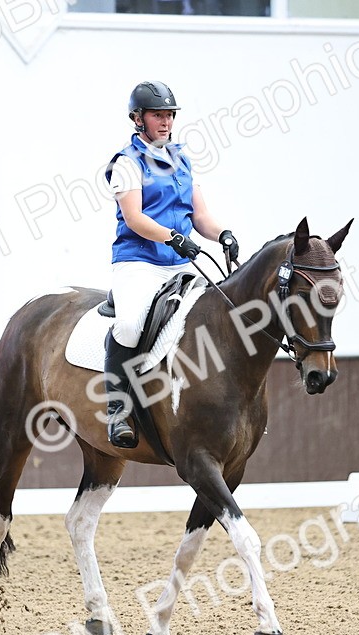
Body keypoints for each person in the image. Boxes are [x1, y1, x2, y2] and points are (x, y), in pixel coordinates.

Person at [102, 79, 240, 449]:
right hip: (139, 261)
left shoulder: (182, 160)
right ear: (138, 119)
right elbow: (134, 218)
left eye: (169, 115)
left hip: (180, 262)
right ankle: (117, 409)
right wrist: (173, 237)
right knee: (129, 325)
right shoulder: (127, 163)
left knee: (218, 314)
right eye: (157, 115)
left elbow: (201, 217)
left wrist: (223, 234)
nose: (165, 122)